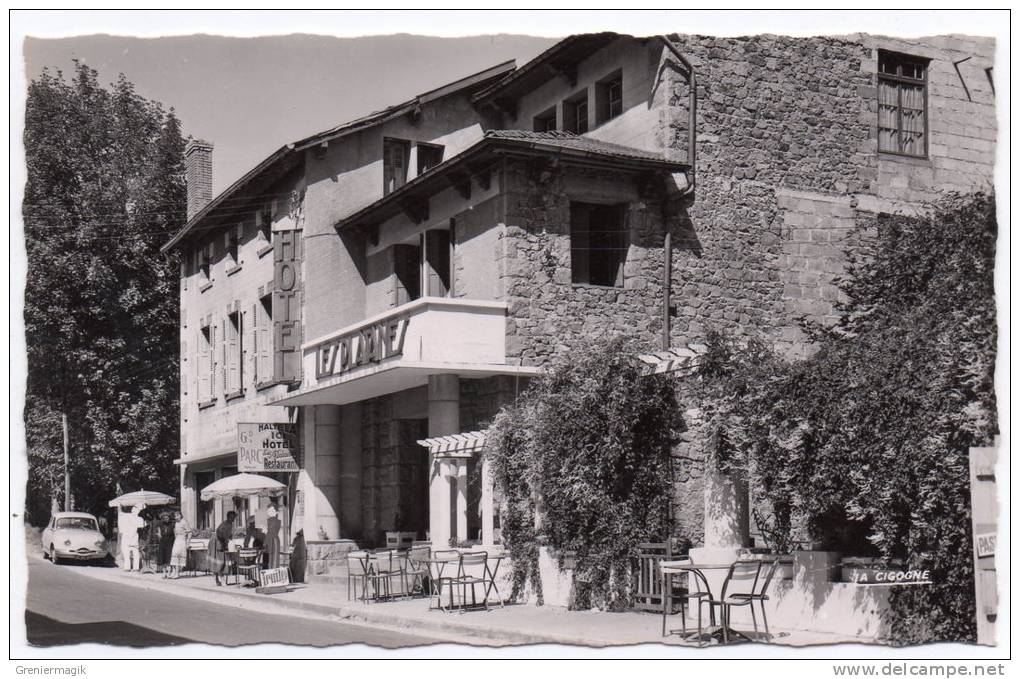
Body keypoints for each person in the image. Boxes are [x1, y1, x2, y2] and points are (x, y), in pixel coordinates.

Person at [211, 511, 236, 587]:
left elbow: (227, 535)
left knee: (220, 561)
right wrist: (225, 544)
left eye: (233, 517)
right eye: (231, 517)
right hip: (218, 542)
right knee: (220, 561)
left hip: (220, 541)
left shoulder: (229, 524)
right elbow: (222, 534)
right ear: (228, 517)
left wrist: (229, 537)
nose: (232, 519)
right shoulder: (226, 524)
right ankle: (221, 580)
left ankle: (218, 579)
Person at [119, 505, 144, 571]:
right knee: (133, 552)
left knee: (130, 552)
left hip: (129, 537)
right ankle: (134, 567)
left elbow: (121, 529)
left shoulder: (124, 516)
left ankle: (129, 567)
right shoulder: (138, 518)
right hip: (131, 537)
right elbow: (143, 525)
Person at [167, 511, 191, 579]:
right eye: (175, 516)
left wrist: (188, 543)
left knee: (178, 555)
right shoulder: (176, 523)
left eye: (177, 515)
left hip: (182, 540)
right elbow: (175, 532)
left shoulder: (184, 522)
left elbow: (189, 532)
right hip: (177, 540)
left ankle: (177, 573)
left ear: (180, 515)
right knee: (174, 555)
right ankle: (174, 572)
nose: (176, 517)